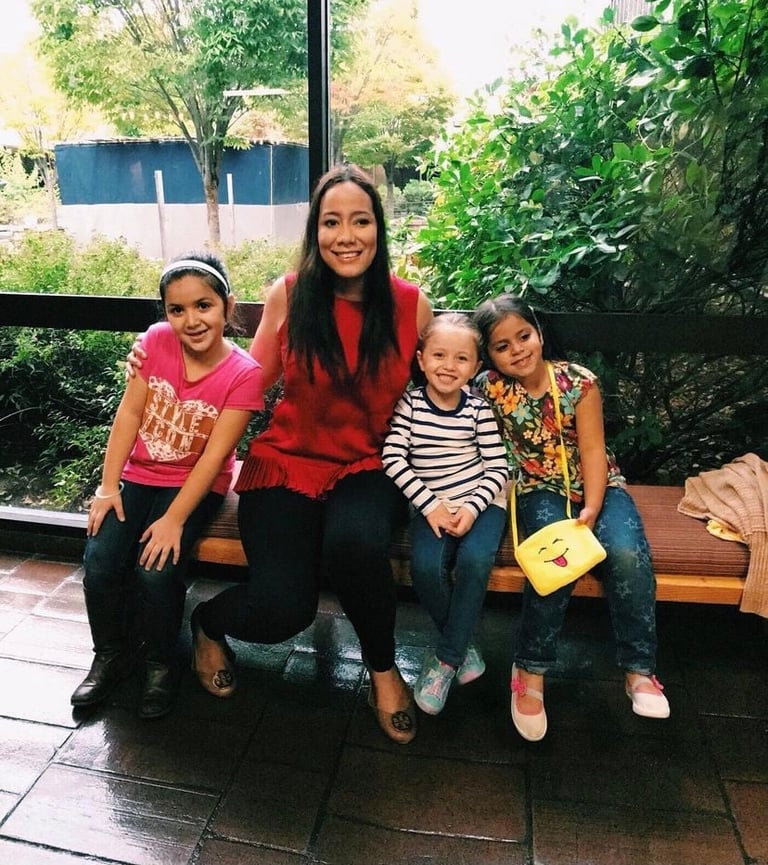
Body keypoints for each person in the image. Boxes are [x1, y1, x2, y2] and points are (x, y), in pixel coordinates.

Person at [128, 164, 432, 743]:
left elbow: (447, 381)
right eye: (332, 222)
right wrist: (161, 357)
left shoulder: (411, 305)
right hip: (285, 464)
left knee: (356, 543)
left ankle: (383, 669)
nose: (347, 236)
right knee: (283, 608)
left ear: (379, 229)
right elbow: (246, 380)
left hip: (368, 466)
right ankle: (207, 624)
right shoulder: (290, 295)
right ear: (315, 231)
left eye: (361, 221)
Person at [71, 252, 263, 720]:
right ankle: (111, 652)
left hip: (195, 484)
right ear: (166, 314)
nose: (191, 320)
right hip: (138, 474)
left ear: (227, 306)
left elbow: (216, 457)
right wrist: (107, 487)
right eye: (177, 310)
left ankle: (162, 660)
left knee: (156, 569)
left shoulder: (244, 374)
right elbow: (130, 415)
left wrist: (174, 519)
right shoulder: (155, 342)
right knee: (99, 562)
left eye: (203, 306)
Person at [473, 294, 670, 742]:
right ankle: (531, 668)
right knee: (555, 563)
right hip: (535, 488)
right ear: (490, 355)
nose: (517, 349)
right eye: (502, 346)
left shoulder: (578, 383)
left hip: (598, 484)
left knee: (625, 551)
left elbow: (594, 449)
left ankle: (639, 669)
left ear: (539, 333)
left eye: (523, 335)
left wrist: (595, 505)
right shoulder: (488, 388)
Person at [382, 313, 509, 715]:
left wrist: (473, 508)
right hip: (430, 504)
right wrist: (429, 504)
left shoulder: (477, 409)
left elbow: (498, 469)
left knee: (474, 561)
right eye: (438, 355)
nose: (448, 366)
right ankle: (465, 649)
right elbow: (392, 456)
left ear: (474, 368)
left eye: (460, 359)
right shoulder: (412, 405)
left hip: (483, 503)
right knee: (424, 568)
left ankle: (446, 659)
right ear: (421, 359)